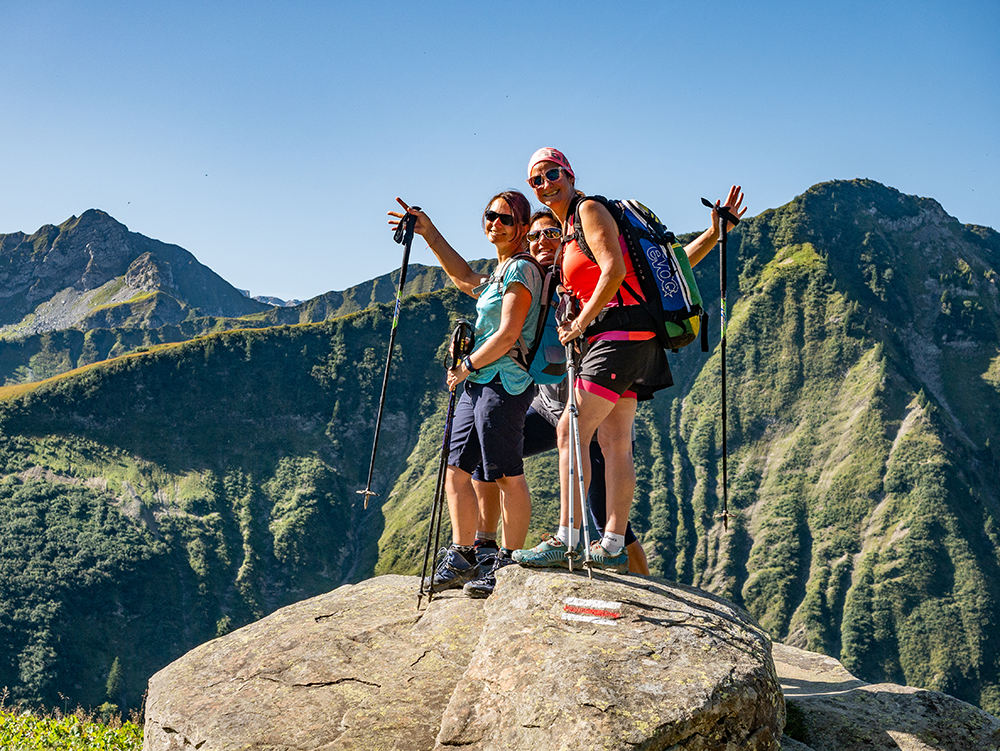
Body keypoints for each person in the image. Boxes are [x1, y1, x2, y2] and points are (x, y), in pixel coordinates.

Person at [514, 147, 746, 573]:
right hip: (634, 340)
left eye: (550, 174)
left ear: (568, 173)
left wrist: (580, 323)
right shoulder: (569, 228)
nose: (544, 184)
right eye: (535, 180)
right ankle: (613, 543)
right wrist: (713, 236)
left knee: (570, 426)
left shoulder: (588, 209)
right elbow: (659, 269)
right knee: (613, 440)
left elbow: (614, 269)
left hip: (617, 337)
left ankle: (567, 537)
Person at [468, 209, 649, 593]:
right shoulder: (529, 285)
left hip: (594, 419)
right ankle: (484, 552)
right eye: (533, 237)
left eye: (551, 233)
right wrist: (429, 232)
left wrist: (714, 236)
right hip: (549, 411)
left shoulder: (582, 275)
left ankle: (642, 587)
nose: (541, 242)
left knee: (605, 513)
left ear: (566, 238)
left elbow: (643, 270)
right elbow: (466, 279)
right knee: (488, 454)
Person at [388, 191, 542, 593]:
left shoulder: (522, 270)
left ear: (522, 227)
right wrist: (429, 233)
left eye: (505, 219)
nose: (494, 223)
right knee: (458, 470)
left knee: (506, 474)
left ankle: (505, 564)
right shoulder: (500, 271)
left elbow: (509, 333)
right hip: (478, 383)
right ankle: (465, 555)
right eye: (489, 216)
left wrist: (466, 366)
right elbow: (466, 279)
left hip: (504, 383)